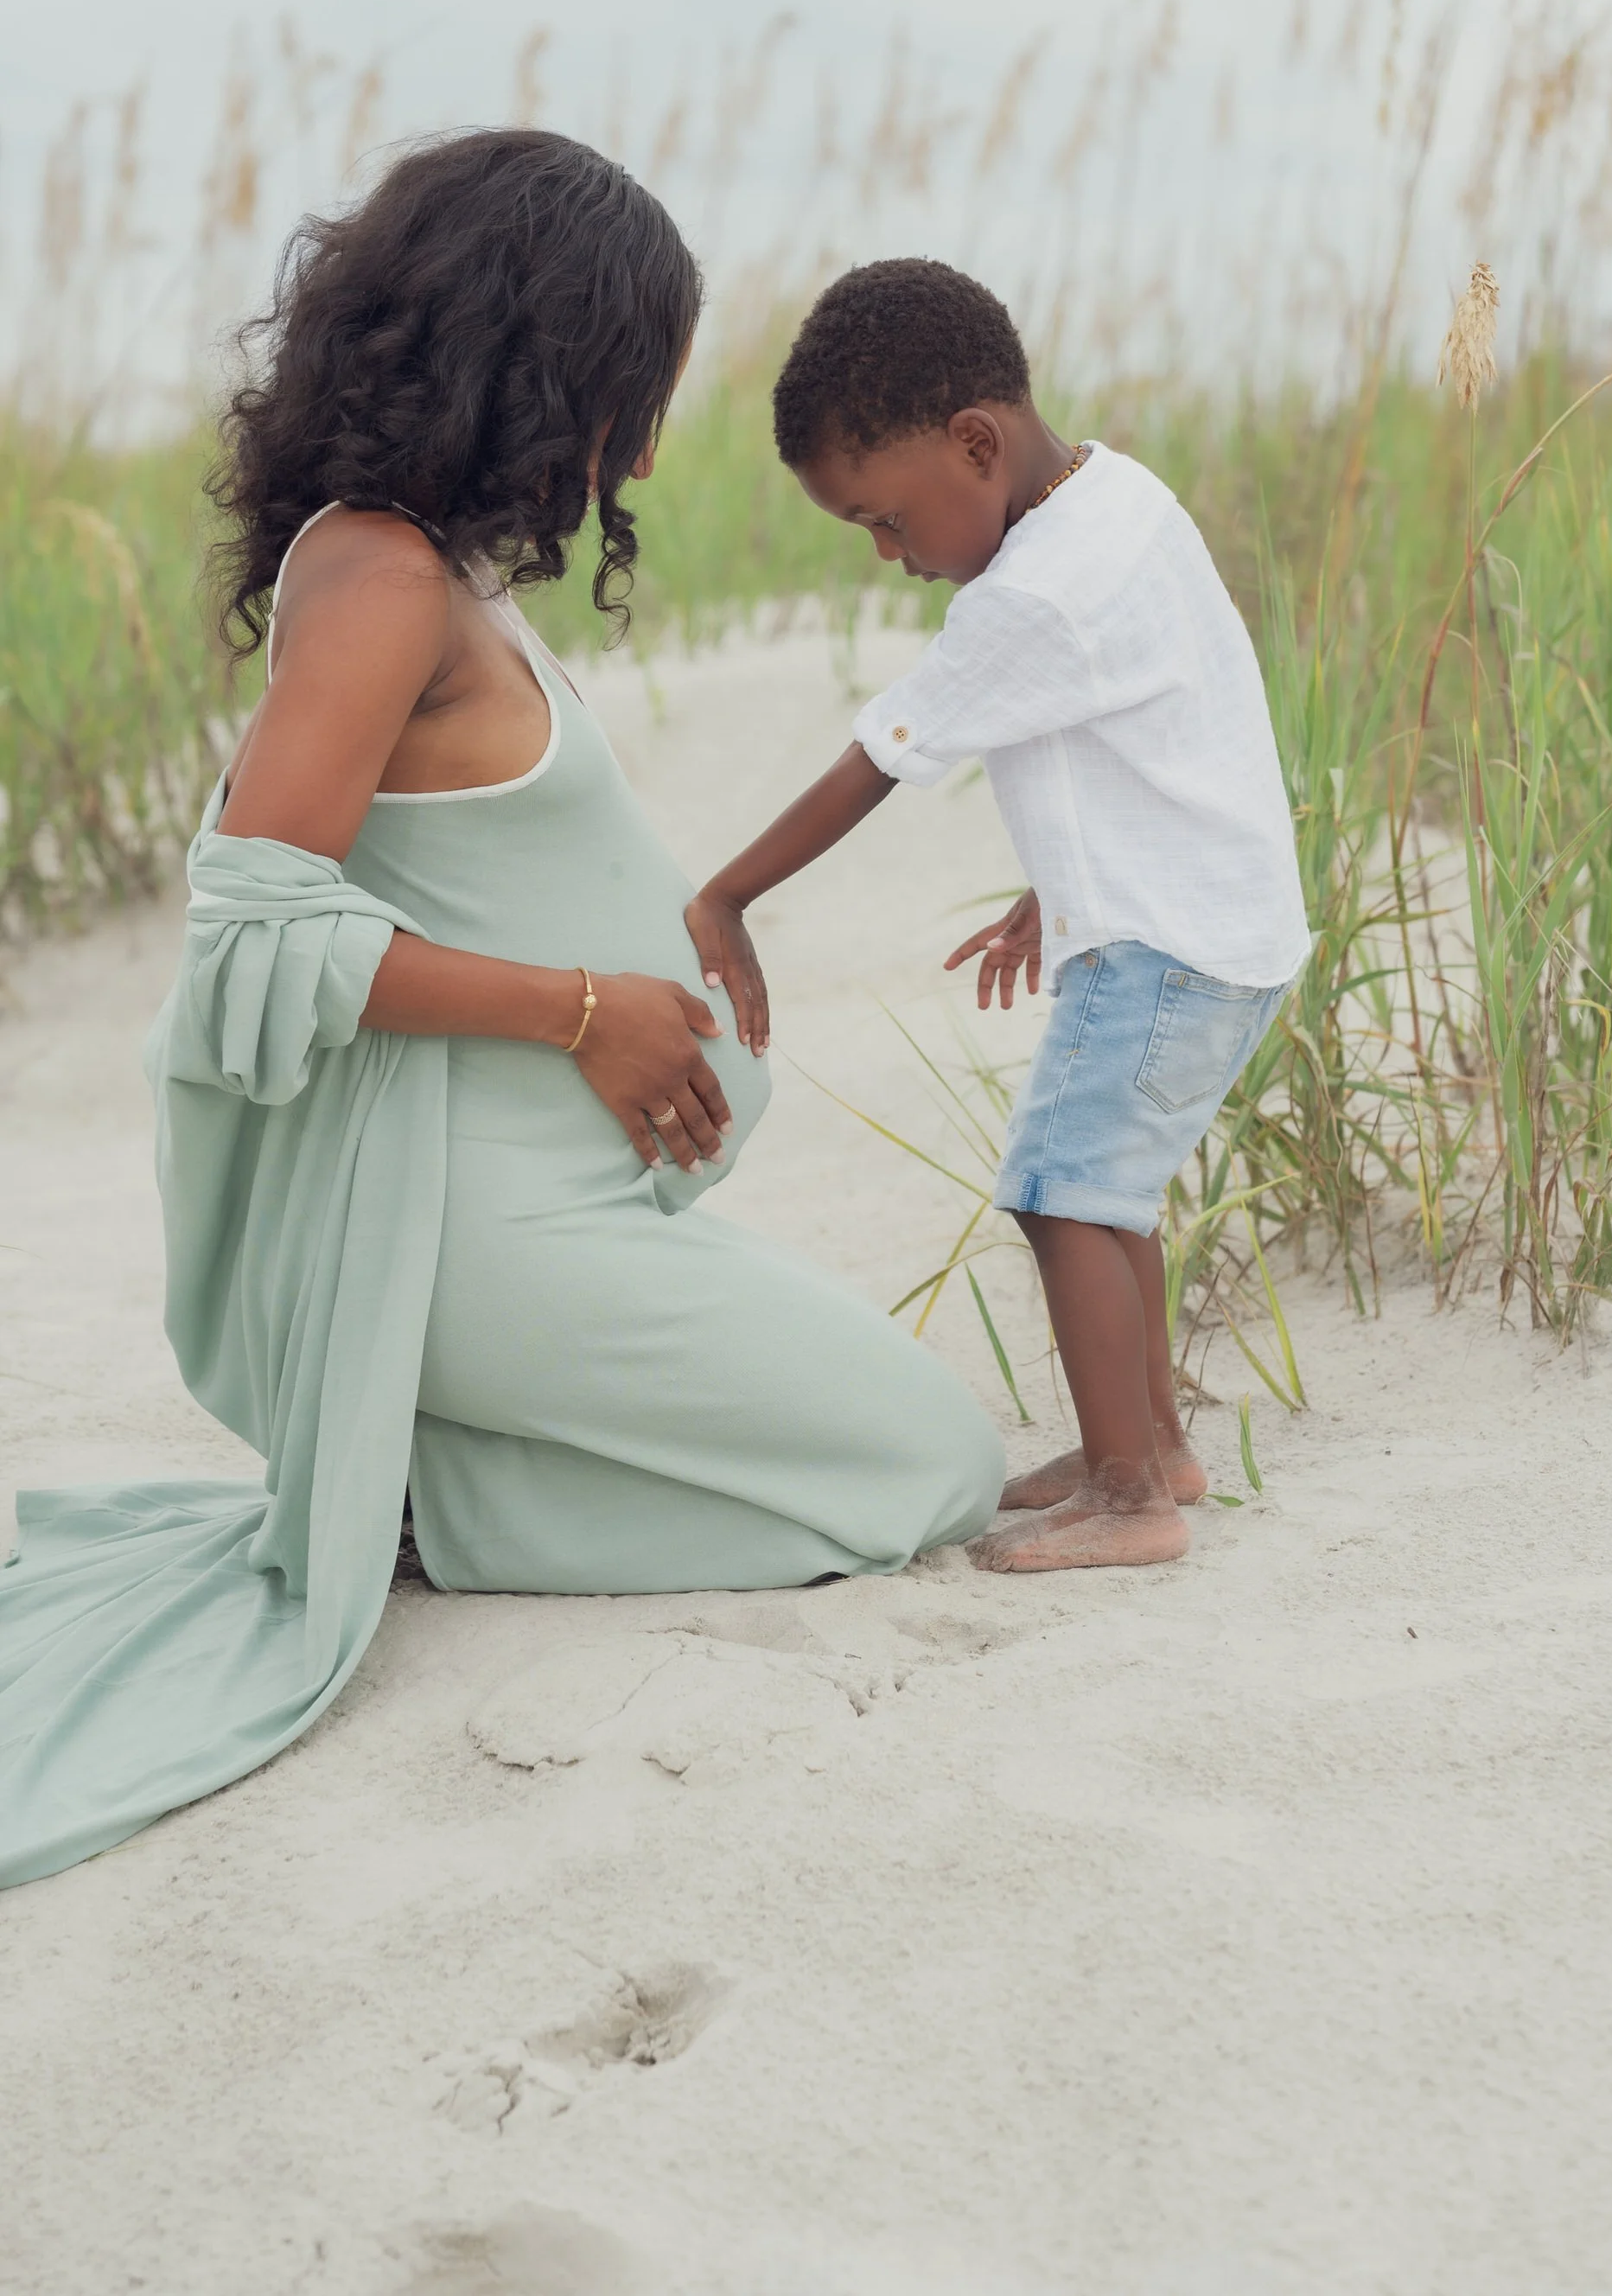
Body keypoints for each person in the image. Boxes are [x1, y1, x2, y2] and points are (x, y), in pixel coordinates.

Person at [0, 145, 1003, 1891]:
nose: (648, 435)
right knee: (923, 1464)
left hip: (547, 1209)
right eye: (641, 378)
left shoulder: (430, 573)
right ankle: (428, 1511)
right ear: (548, 353)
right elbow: (250, 926)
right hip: (468, 1231)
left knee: (888, 1454)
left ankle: (418, 1495)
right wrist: (583, 1012)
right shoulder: (382, 585)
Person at [686, 258, 1309, 1574]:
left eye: (885, 520)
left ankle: (1134, 1496)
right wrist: (1059, 884)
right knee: (1111, 1196)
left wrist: (728, 894)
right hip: (1207, 921)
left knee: (1060, 1195)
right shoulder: (1122, 500)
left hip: (1165, 949)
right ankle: (1148, 1444)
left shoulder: (1028, 593)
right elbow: (1151, 724)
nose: (892, 558)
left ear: (975, 443)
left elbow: (880, 757)